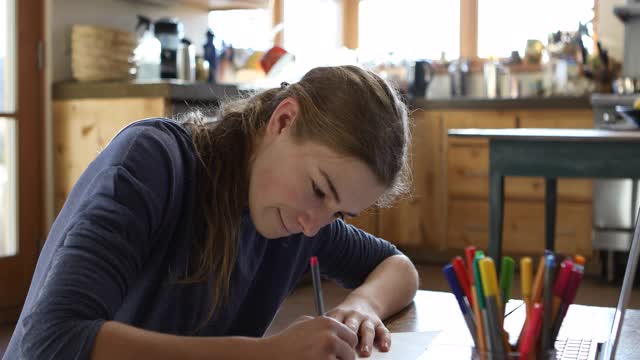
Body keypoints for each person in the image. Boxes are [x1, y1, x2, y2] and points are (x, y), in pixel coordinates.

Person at [4, 65, 419, 360]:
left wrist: (363, 305)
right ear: (283, 120)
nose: (315, 224)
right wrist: (264, 355)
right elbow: (53, 341)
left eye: (341, 213)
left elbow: (396, 267)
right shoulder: (153, 162)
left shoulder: (306, 217)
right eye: (318, 190)